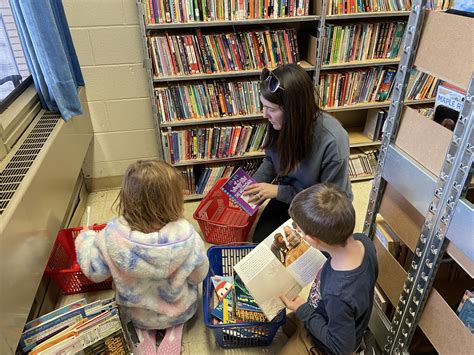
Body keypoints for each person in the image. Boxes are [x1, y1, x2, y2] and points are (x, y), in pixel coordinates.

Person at [75, 160, 209, 355]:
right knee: (179, 305)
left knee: (137, 317)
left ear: (126, 198)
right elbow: (198, 275)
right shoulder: (188, 237)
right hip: (179, 309)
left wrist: (85, 238)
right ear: (174, 199)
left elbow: (94, 272)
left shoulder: (111, 236)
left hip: (137, 312)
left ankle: (143, 333)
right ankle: (174, 330)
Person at [243, 64, 352, 243]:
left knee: (307, 255)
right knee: (263, 244)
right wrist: (255, 185)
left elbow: (329, 200)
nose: (264, 115)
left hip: (324, 208)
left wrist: (279, 191)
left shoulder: (333, 140)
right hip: (290, 196)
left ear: (293, 111)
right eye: (264, 107)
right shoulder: (280, 124)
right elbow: (271, 159)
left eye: (271, 109)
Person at [279, 183, 378, 355]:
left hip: (327, 345)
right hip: (325, 312)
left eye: (299, 231)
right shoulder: (364, 241)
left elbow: (342, 348)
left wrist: (305, 311)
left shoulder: (338, 293)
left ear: (313, 240)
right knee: (280, 322)